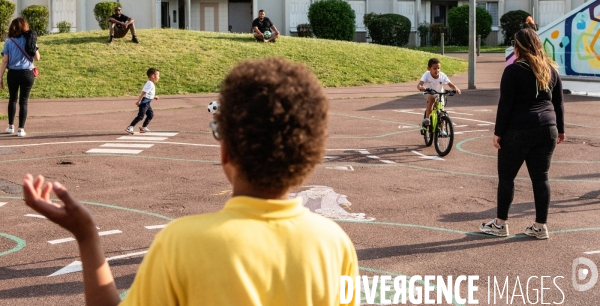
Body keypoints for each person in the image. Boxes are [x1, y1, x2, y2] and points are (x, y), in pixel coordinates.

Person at [23, 57, 358, 306]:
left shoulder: (181, 243)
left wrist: (87, 237)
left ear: (226, 151)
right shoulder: (335, 244)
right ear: (311, 157)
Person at [480, 27, 565, 240]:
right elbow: (558, 103)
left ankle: (500, 225)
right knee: (541, 178)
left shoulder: (513, 70)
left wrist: (498, 132)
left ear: (519, 47)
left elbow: (505, 104)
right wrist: (560, 129)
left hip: (518, 129)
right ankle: (540, 226)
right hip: (548, 128)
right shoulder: (551, 70)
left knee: (507, 177)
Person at [0, 18, 40, 137]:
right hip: (27, 73)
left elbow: (5, 61)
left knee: (12, 99)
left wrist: (0, 77)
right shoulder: (30, 39)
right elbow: (37, 58)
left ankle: (10, 126)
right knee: (24, 101)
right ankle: (21, 129)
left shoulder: (9, 42)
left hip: (13, 73)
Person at [417, 58, 461, 131]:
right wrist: (421, 87)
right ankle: (427, 120)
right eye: (434, 68)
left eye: (438, 68)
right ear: (429, 68)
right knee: (432, 99)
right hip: (429, 93)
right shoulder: (426, 74)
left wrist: (456, 88)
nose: (437, 70)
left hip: (440, 94)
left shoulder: (442, 75)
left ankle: (442, 129)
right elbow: (420, 84)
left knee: (442, 112)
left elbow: (450, 84)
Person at [126, 68, 160, 134]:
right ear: (153, 76)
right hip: (144, 103)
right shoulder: (150, 84)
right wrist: (139, 100)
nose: (159, 77)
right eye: (158, 75)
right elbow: (143, 92)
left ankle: (143, 128)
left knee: (150, 115)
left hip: (147, 103)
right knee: (140, 116)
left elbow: (148, 94)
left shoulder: (151, 83)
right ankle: (130, 127)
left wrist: (154, 97)